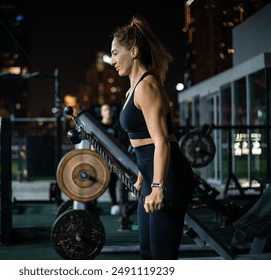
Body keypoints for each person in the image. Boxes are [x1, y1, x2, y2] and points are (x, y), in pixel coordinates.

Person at [110, 15, 195, 259]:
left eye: (116, 53)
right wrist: (141, 177)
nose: (113, 60)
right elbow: (144, 142)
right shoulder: (132, 89)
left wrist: (158, 187)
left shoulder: (147, 86)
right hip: (150, 174)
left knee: (162, 256)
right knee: (147, 252)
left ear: (134, 51)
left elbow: (162, 141)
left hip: (167, 177)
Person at [99, 104, 120, 215]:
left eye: (110, 109)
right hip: (100, 160)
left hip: (114, 160)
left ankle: (115, 204)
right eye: (105, 109)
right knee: (96, 183)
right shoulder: (98, 126)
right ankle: (92, 205)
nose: (108, 111)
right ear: (102, 113)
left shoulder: (116, 127)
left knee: (112, 184)